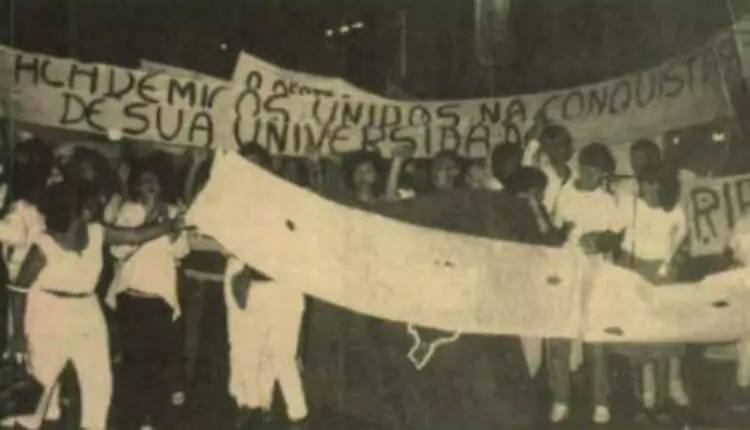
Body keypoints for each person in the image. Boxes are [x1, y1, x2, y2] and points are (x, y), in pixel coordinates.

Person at [4, 180, 185, 430]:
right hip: (47, 313)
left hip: (87, 311)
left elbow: (134, 235)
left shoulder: (97, 232)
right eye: (88, 204)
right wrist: (18, 337)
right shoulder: (43, 245)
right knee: (39, 388)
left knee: (99, 384)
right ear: (77, 210)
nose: (96, 205)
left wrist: (169, 225)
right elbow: (18, 289)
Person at [225, 142, 308, 429]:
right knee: (248, 351)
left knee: (283, 355)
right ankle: (252, 406)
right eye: (246, 164)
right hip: (253, 286)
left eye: (257, 163)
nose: (252, 169)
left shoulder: (286, 197)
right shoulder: (236, 204)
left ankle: (298, 416)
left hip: (285, 289)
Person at [106, 152, 190, 430]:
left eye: (155, 180)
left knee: (156, 363)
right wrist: (150, 222)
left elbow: (181, 251)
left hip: (160, 300)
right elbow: (118, 249)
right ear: (138, 186)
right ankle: (135, 417)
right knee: (133, 363)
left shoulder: (175, 211)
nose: (151, 184)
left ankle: (151, 418)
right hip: (131, 298)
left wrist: (171, 228)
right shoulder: (128, 211)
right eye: (145, 180)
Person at [610, 164, 690, 420]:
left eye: (652, 185)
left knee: (663, 342)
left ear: (663, 186)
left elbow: (679, 244)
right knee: (638, 342)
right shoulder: (630, 205)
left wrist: (667, 267)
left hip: (664, 275)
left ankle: (664, 399)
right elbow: (615, 231)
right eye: (643, 184)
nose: (647, 190)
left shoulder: (675, 211)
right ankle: (644, 399)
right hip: (634, 270)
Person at [546, 142, 619, 424]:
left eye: (596, 172)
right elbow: (554, 231)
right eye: (586, 169)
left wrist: (600, 240)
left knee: (595, 339)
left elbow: (615, 237)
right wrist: (563, 233)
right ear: (580, 167)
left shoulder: (607, 200)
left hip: (596, 274)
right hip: (565, 272)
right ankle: (560, 398)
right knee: (558, 338)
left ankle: (601, 402)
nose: (589, 176)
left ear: (603, 174)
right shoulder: (565, 194)